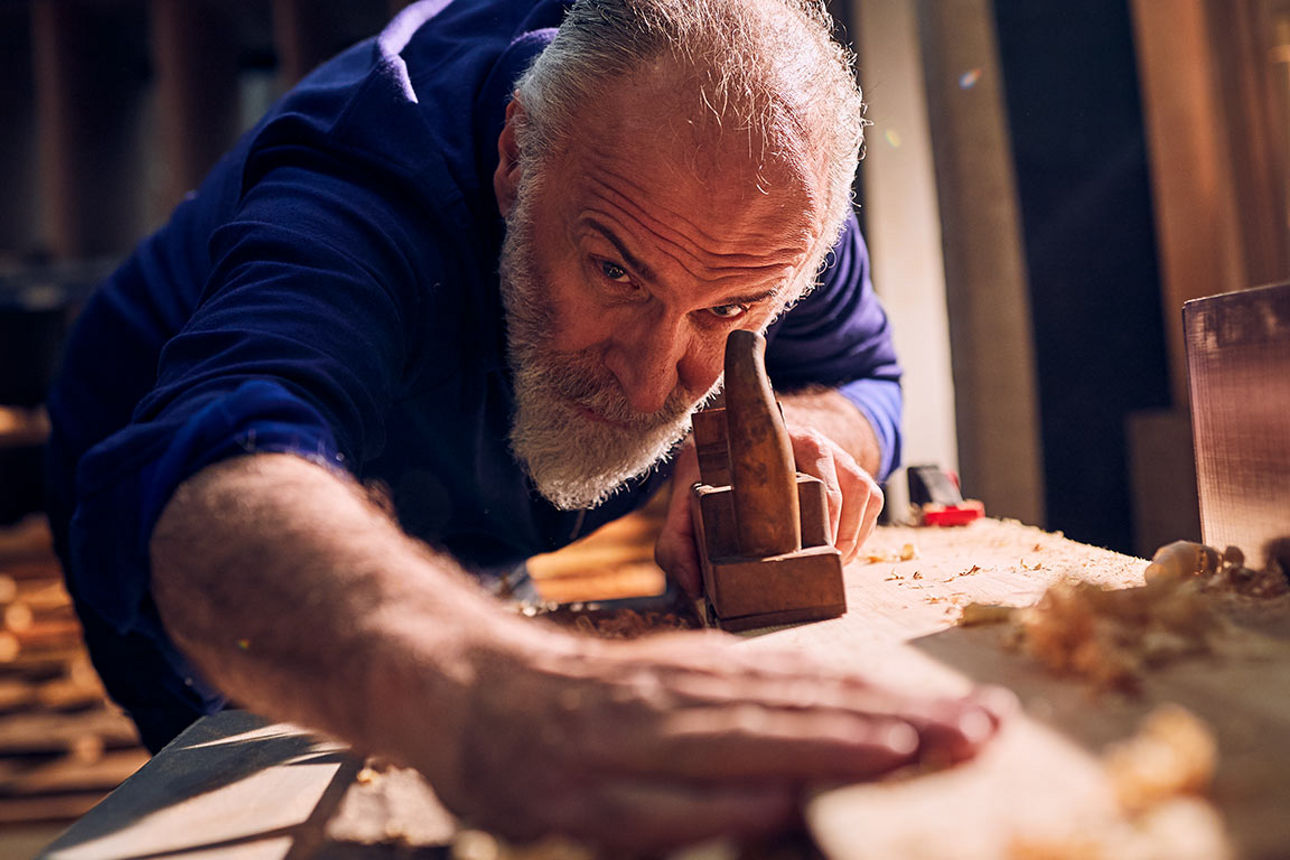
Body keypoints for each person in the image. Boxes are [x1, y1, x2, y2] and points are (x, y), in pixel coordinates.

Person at [46, 0, 1007, 849]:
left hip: (450, 489)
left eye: (726, 311)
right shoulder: (372, 172)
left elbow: (859, 373)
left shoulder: (772, 205)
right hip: (192, 474)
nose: (650, 384)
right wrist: (481, 683)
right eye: (616, 271)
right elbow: (201, 476)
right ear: (515, 160)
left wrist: (807, 434)